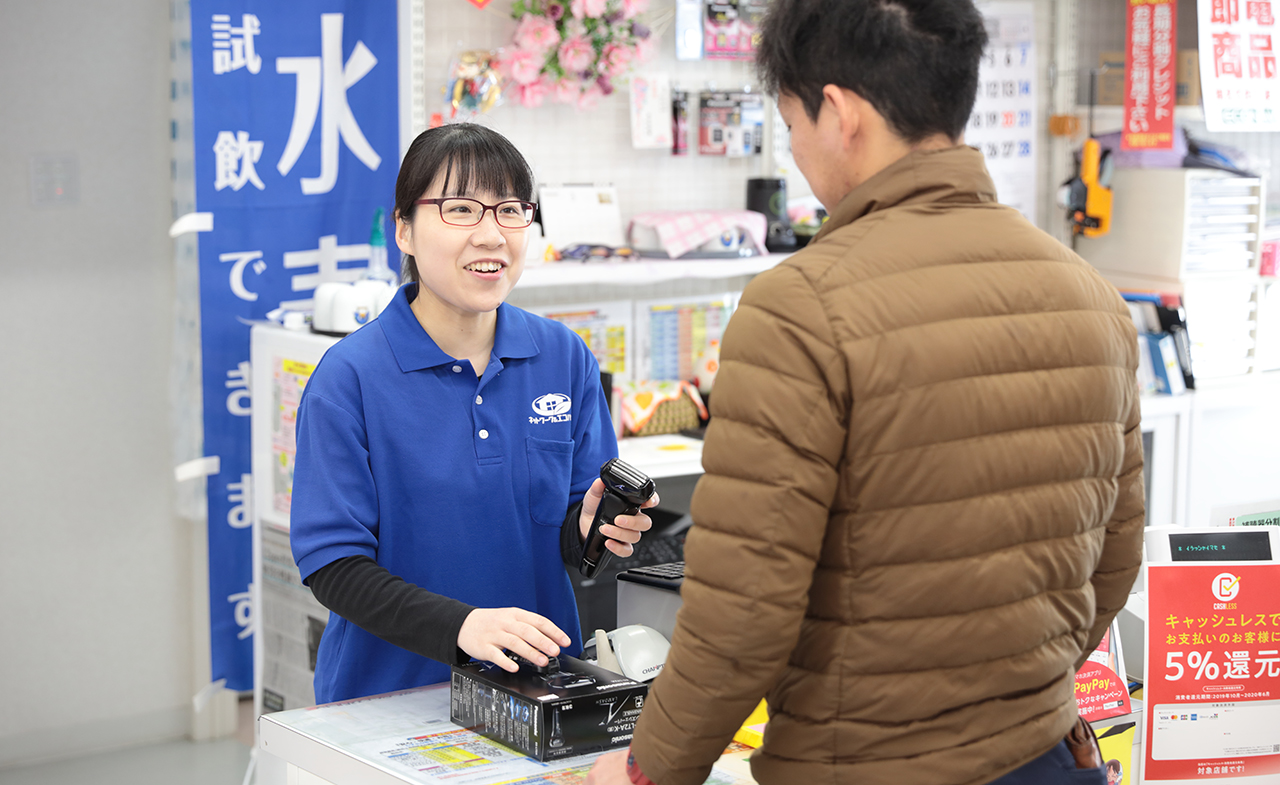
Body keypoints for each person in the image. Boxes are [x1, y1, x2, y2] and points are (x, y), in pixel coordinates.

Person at [588, 0, 1144, 782]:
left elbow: (742, 611)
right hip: (1044, 752)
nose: (795, 153)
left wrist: (649, 766)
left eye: (791, 126)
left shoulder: (799, 309)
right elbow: (1114, 556)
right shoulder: (1090, 295)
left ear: (840, 113)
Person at [290, 123, 656, 705]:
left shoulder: (563, 358)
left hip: (536, 693)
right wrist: (463, 628)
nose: (491, 235)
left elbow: (571, 541)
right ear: (403, 230)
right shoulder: (349, 377)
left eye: (510, 210)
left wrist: (597, 533)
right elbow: (334, 567)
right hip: (388, 700)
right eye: (460, 209)